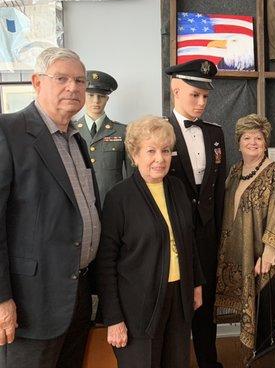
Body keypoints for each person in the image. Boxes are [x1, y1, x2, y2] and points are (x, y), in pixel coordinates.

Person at [0, 47, 100, 368]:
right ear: (36, 82)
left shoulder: (77, 140)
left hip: (76, 296)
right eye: (62, 78)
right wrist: (1, 299)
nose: (73, 87)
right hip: (31, 304)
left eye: (80, 80)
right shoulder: (9, 132)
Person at [95, 116, 204, 368]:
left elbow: (189, 240)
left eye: (165, 151)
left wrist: (196, 283)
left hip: (178, 297)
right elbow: (105, 263)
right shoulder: (119, 198)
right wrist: (113, 319)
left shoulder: (177, 188)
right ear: (134, 155)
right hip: (137, 309)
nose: (160, 158)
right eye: (151, 151)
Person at [215, 114, 275, 358]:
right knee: (251, 311)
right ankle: (253, 356)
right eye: (247, 137)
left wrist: (268, 255)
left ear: (265, 143)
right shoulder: (234, 171)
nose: (252, 141)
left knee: (263, 317)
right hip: (241, 255)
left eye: (258, 137)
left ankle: (267, 360)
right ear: (238, 142)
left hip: (264, 261)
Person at [165, 59, 226, 368]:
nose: (202, 103)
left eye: (205, 97)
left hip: (206, 235)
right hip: (172, 236)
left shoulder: (215, 134)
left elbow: (219, 194)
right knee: (176, 307)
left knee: (206, 307)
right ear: (176, 90)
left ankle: (208, 362)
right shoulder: (160, 132)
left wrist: (218, 235)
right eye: (194, 95)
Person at [75, 70, 132, 202]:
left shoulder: (123, 132)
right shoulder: (70, 131)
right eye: (90, 95)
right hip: (80, 203)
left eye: (101, 96)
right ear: (83, 96)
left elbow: (131, 174)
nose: (96, 101)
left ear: (107, 98)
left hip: (113, 203)